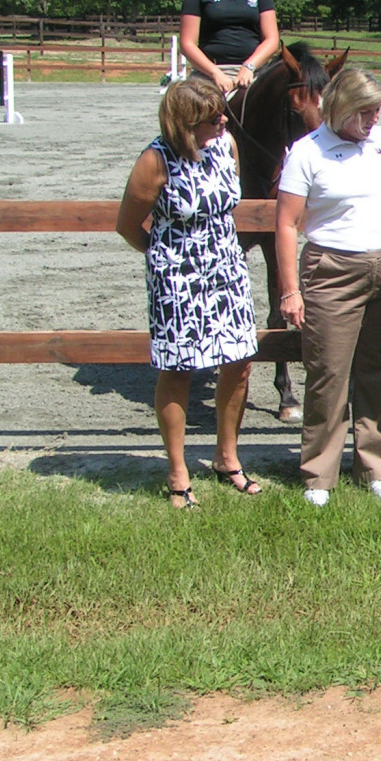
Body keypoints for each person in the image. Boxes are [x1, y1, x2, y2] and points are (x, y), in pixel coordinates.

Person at [117, 76, 263, 507]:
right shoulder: (155, 160)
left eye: (221, 112)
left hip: (227, 270)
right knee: (178, 369)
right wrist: (163, 257)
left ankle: (226, 457)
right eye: (211, 116)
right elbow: (127, 225)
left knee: (239, 363)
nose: (223, 120)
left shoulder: (226, 146)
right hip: (177, 277)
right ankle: (178, 471)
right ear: (183, 123)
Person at [275, 67, 381, 507]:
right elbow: (287, 223)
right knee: (328, 375)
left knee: (378, 370)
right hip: (331, 269)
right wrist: (290, 290)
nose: (374, 119)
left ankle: (374, 465)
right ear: (341, 107)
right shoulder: (306, 152)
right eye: (366, 112)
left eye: (377, 111)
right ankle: (319, 474)